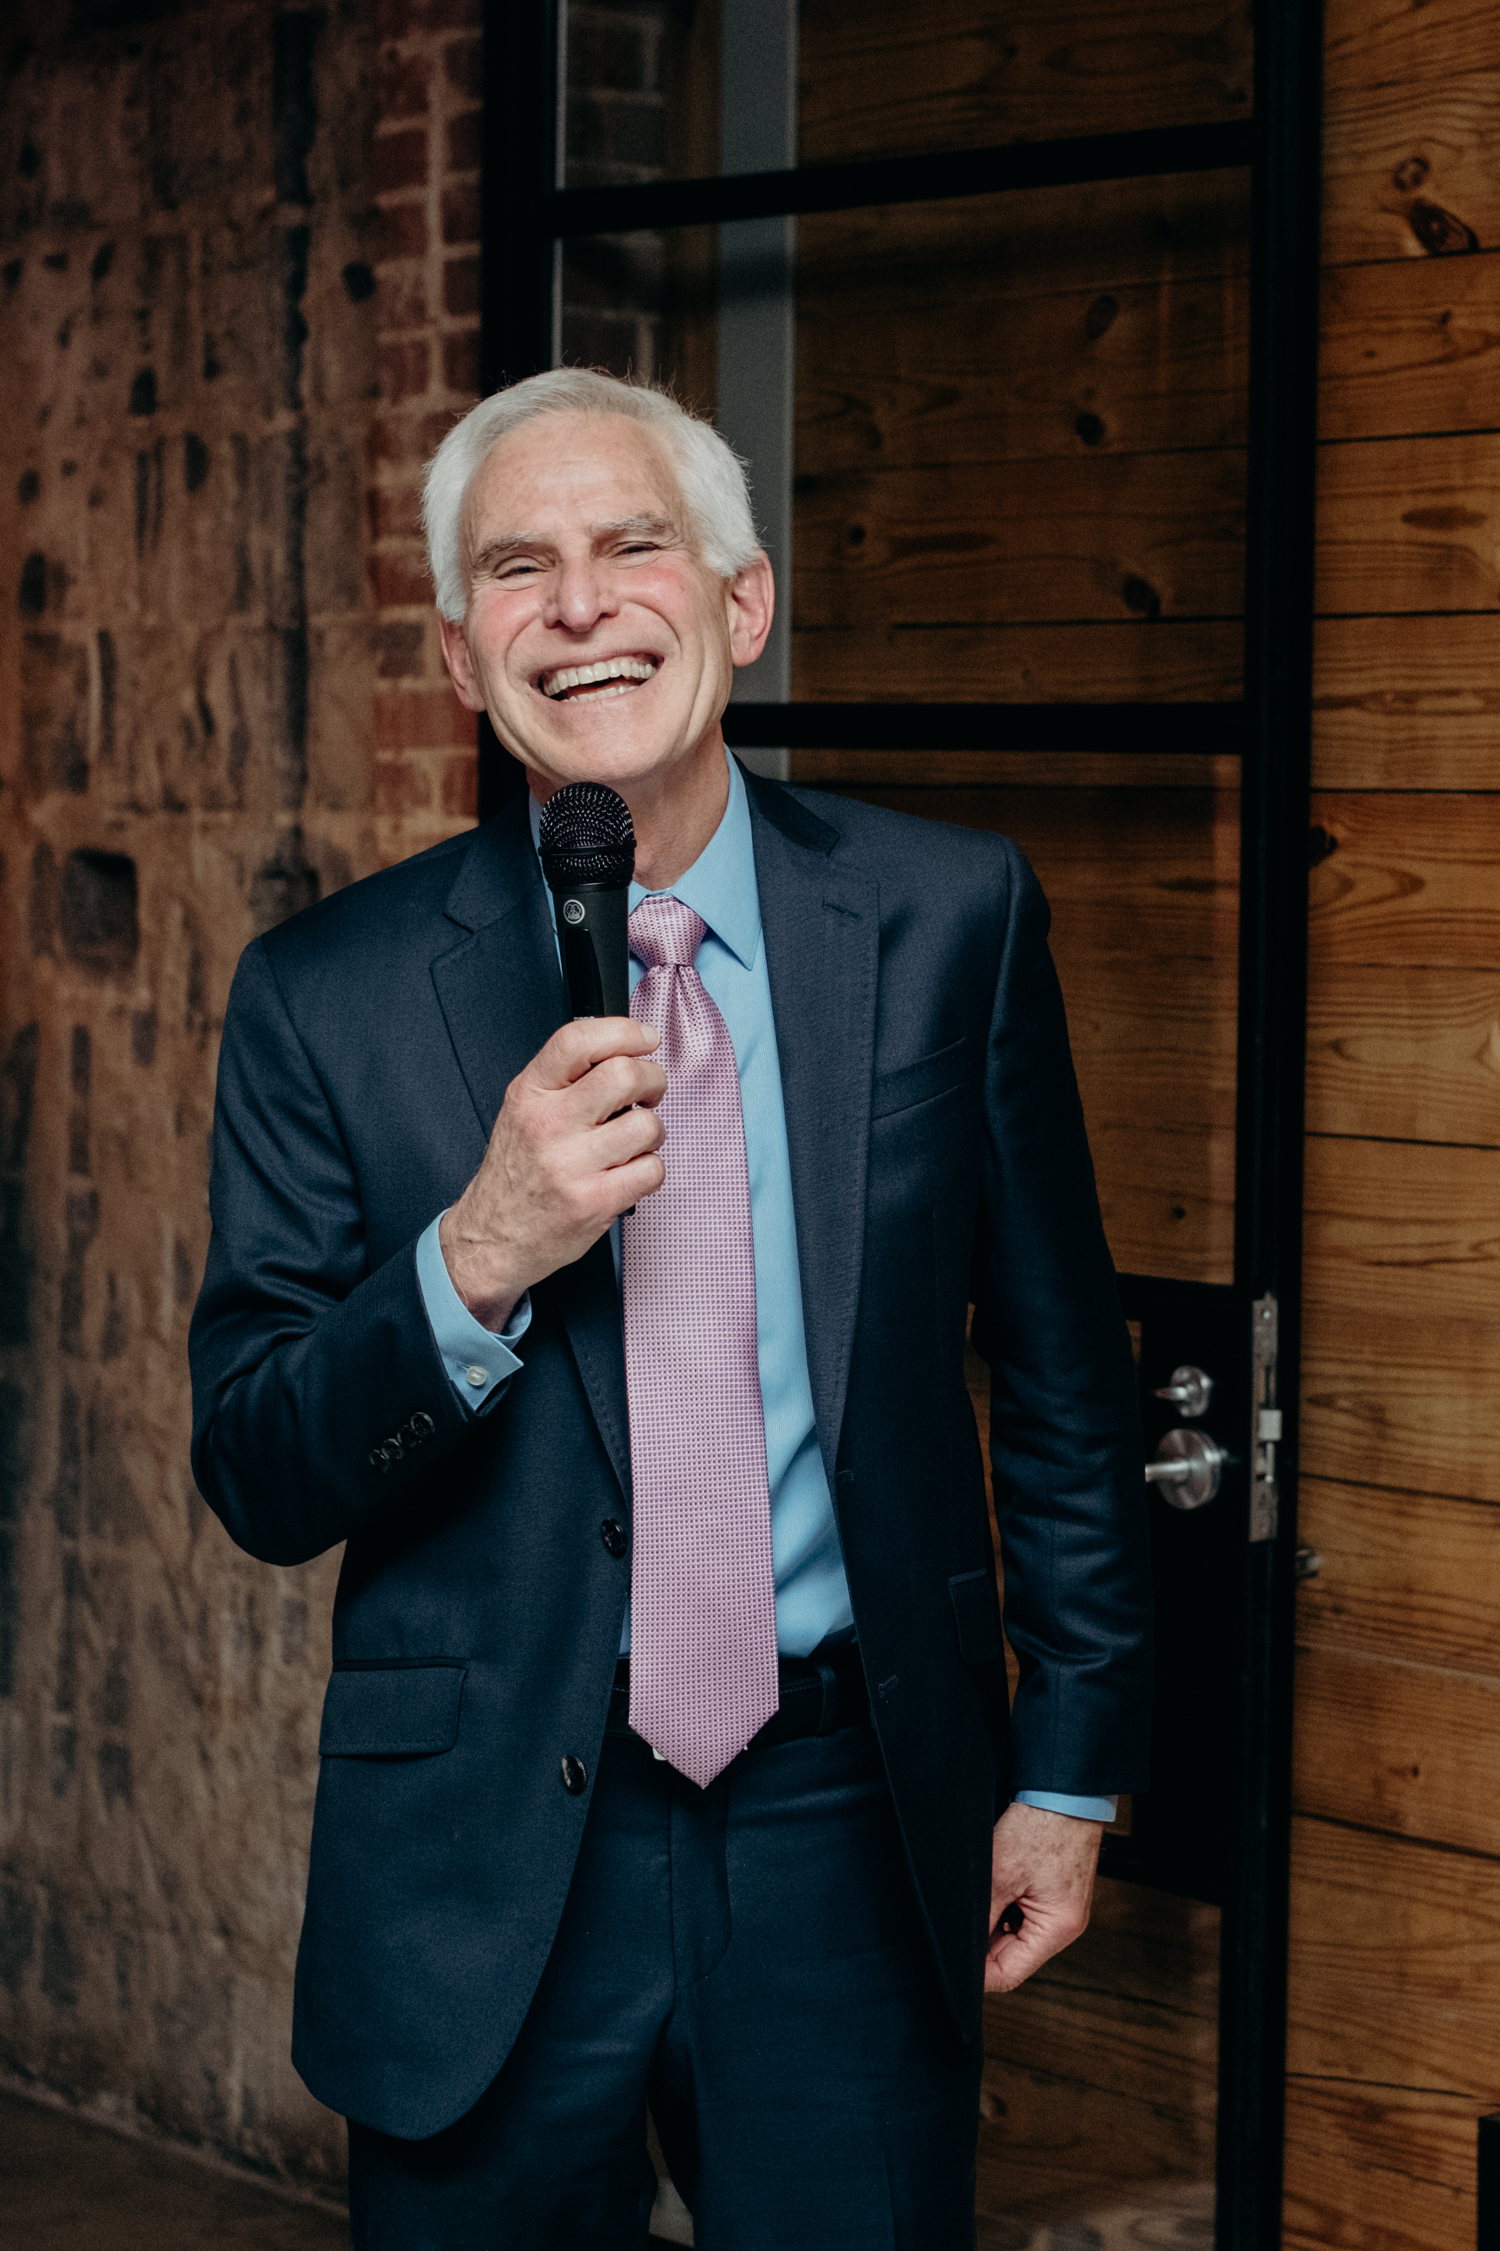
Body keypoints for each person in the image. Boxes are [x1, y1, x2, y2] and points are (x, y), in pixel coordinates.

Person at [189, 367, 1151, 2250]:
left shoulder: (951, 912)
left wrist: (1075, 1765)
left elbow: (1057, 1367)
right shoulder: (328, 994)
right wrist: (476, 1253)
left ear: (741, 603)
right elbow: (258, 1461)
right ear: (467, 660)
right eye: (518, 569)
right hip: (484, 1851)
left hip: (848, 1817)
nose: (581, 604)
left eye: (634, 546)